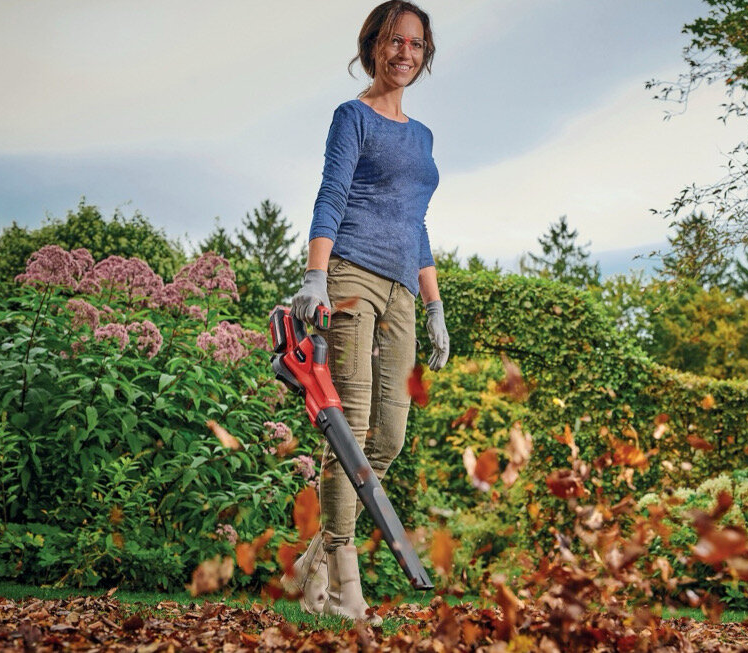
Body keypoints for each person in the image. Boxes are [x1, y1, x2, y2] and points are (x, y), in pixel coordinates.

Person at [282, 0, 449, 624]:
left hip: (404, 287)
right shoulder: (351, 117)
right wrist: (316, 276)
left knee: (390, 436)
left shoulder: (423, 135)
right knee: (346, 427)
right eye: (394, 41)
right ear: (373, 45)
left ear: (424, 54)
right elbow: (332, 193)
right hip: (351, 273)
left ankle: (315, 558)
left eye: (416, 44)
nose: (405, 53)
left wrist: (435, 305)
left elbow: (418, 223)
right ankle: (345, 587)